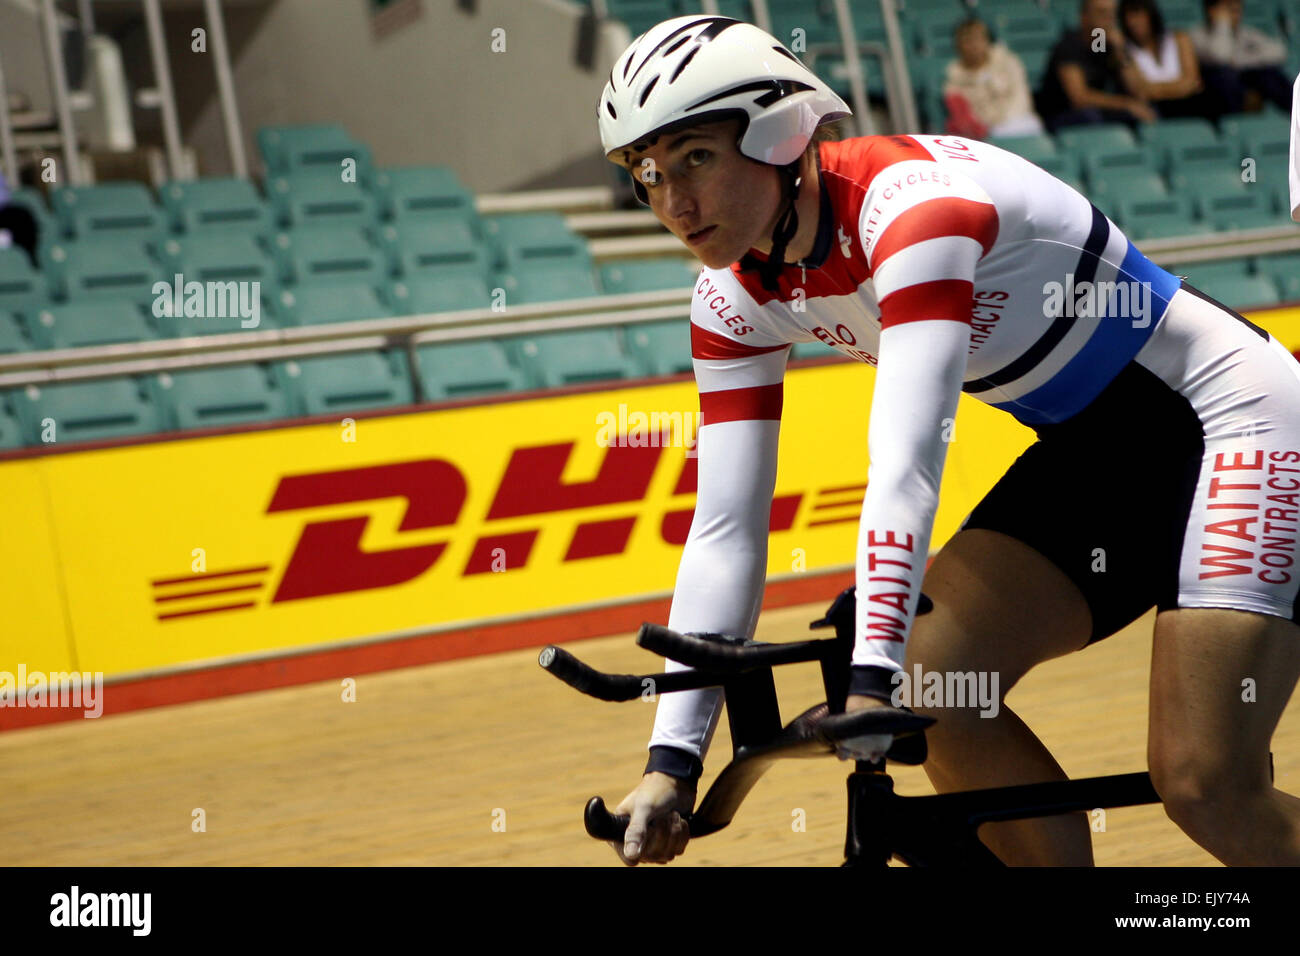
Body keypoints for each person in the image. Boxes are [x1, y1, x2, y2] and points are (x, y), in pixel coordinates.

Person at [596, 14, 1300, 867]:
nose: (674, 201)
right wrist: (672, 760)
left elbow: (905, 464)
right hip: (1097, 455)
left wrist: (869, 677)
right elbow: (727, 526)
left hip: (1230, 417)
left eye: (695, 158)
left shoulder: (910, 212)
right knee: (936, 681)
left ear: (778, 132)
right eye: (648, 173)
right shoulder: (731, 296)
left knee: (1204, 782)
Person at [1036, 0, 1158, 131]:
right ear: (1084, 17)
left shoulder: (1108, 46)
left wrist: (1121, 50)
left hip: (1098, 110)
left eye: (1112, 14)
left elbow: (1137, 91)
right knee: (1090, 116)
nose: (1108, 20)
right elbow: (1079, 98)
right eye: (1102, 13)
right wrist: (1126, 104)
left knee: (1146, 112)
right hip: (1060, 115)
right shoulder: (1069, 46)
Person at [943, 18, 1045, 139]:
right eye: (967, 41)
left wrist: (1005, 121)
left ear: (987, 41)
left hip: (1018, 119)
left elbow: (1021, 96)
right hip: (985, 132)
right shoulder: (953, 78)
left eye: (978, 39)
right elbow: (964, 115)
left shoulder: (1007, 61)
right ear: (958, 46)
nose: (974, 46)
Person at [1190, 0, 1293, 114]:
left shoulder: (1246, 33)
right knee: (1225, 76)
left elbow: (1279, 52)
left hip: (1242, 82)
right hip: (1212, 91)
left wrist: (1240, 60)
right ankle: (1233, 125)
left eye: (1238, 10)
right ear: (1212, 11)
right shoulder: (1197, 35)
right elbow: (1221, 56)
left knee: (1270, 75)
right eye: (1230, 10)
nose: (1236, 15)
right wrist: (1222, 25)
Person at [1118, 0, 1211, 118]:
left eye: (1138, 15)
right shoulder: (1124, 50)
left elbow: (1191, 81)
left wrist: (1155, 90)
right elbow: (1139, 90)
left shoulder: (1179, 38)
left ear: (1151, 15)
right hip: (1157, 108)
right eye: (1128, 18)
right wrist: (1179, 87)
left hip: (1188, 104)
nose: (1133, 23)